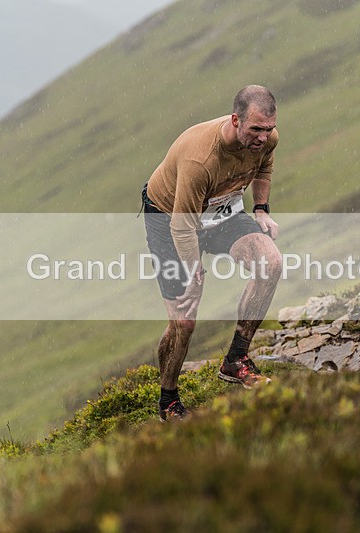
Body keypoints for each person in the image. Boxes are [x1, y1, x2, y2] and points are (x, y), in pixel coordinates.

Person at [142, 85, 283, 421]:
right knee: (185, 319)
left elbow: (263, 167)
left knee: (271, 264)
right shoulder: (200, 158)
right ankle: (168, 401)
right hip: (170, 218)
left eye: (268, 129)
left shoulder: (267, 138)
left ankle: (236, 360)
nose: (263, 138)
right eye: (255, 130)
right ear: (236, 120)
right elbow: (181, 226)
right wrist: (195, 276)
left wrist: (261, 208)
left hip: (222, 212)